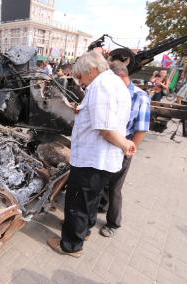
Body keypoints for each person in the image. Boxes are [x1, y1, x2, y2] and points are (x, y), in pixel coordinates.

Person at [47, 51, 135, 257]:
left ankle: (70, 245)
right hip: (101, 160)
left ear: (92, 70)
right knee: (90, 200)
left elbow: (105, 129)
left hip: (92, 159)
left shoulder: (100, 86)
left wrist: (125, 144)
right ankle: (83, 230)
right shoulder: (114, 83)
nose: (80, 82)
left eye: (80, 77)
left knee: (77, 202)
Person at [98, 61, 151, 237]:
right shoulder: (112, 92)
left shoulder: (140, 96)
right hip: (106, 144)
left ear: (121, 76)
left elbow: (141, 129)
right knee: (100, 182)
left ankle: (113, 223)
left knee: (115, 188)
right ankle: (100, 206)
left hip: (123, 148)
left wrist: (128, 150)